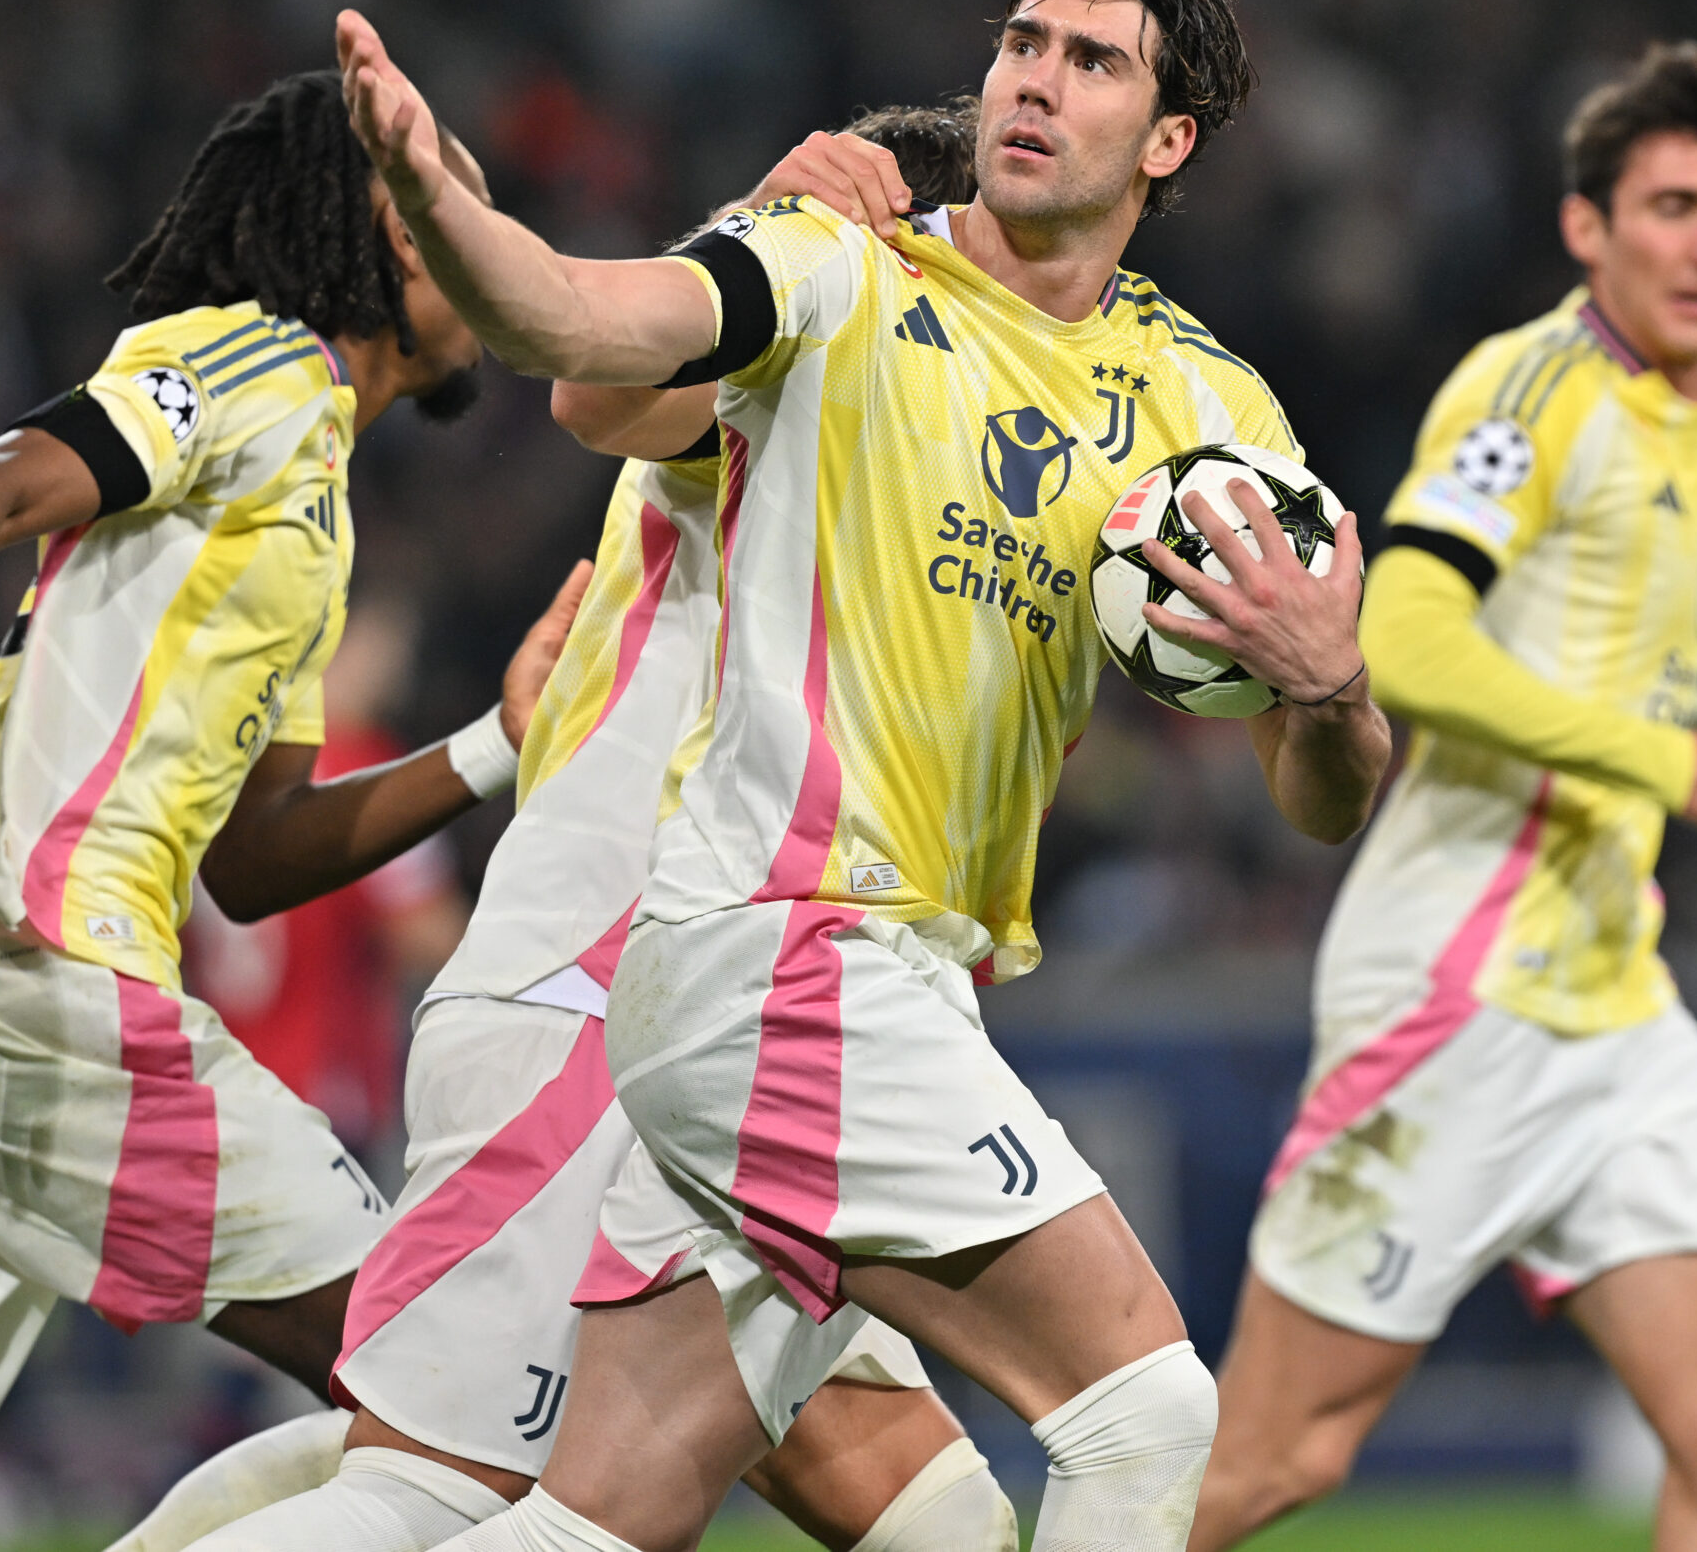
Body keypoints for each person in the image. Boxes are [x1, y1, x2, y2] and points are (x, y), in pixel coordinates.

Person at [339, 0, 1392, 1552]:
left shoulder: (1206, 415)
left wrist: (1331, 684)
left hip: (857, 986)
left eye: (1093, 61)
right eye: (1023, 44)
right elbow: (584, 332)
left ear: (1166, 135)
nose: (1036, 82)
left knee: (608, 1525)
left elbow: (1324, 796)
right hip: (788, 952)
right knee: (1149, 1413)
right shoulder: (840, 262)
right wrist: (443, 205)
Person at [112, 102, 1019, 1552]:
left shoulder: (944, 469)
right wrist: (757, 218)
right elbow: (602, 380)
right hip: (603, 1017)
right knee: (434, 1492)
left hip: (761, 1055)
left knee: (943, 1523)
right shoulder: (797, 372)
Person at [0, 70, 589, 1552]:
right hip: (38, 981)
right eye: (454, 194)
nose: (485, 229)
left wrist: (494, 745)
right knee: (450, 1398)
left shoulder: (313, 506)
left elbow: (257, 862)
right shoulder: (255, 369)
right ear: (386, 235)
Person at [1192, 43, 1697, 1552]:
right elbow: (1401, 635)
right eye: (1673, 203)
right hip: (1458, 992)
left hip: (1611, 999)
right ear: (1587, 228)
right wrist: (1664, 761)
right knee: (1271, 1463)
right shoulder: (1534, 389)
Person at [180, 607, 472, 1161]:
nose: (394, 671)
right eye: (381, 646)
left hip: (220, 1087)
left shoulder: (215, 767)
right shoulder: (363, 770)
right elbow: (435, 939)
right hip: (324, 1099)